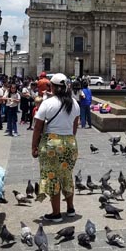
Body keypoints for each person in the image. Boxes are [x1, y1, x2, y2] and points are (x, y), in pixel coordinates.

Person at [31, 73, 80, 222]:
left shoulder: (47, 103)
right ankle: (70, 209)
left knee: (53, 177)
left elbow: (37, 127)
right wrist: (69, 139)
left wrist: (34, 146)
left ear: (53, 87)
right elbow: (75, 125)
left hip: (52, 144)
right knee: (67, 175)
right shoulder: (74, 103)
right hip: (70, 143)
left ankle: (56, 213)